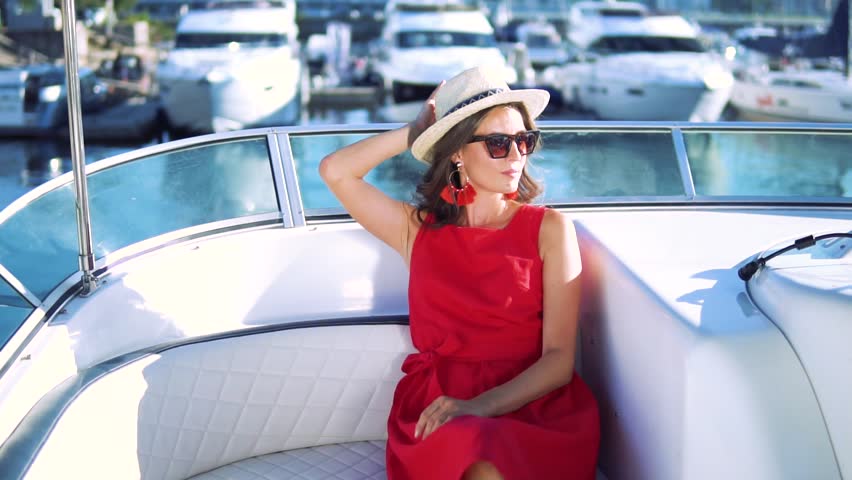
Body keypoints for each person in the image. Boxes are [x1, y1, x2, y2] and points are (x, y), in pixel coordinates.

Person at [319, 66, 599, 480]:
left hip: (535, 406)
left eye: (524, 141)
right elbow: (335, 171)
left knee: (484, 451)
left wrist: (482, 406)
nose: (518, 156)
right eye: (499, 144)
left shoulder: (550, 229)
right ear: (457, 152)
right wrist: (414, 133)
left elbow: (558, 360)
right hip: (440, 404)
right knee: (471, 447)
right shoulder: (416, 230)